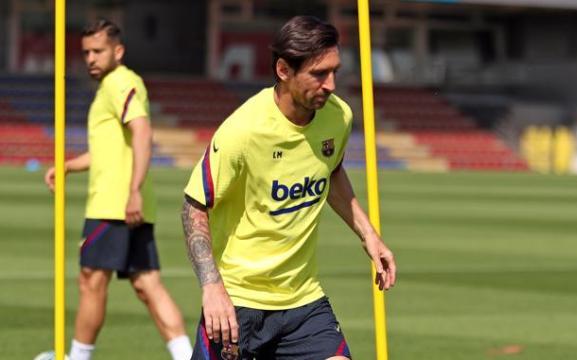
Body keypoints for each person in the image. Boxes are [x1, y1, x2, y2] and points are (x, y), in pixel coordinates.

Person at [182, 16, 397, 360]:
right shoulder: (243, 131)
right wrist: (212, 287)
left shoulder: (337, 117)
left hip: (304, 303)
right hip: (239, 303)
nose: (331, 85)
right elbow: (194, 205)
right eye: (318, 74)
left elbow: (332, 172)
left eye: (334, 71)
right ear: (283, 70)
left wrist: (369, 235)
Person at [44, 19, 192, 360]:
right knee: (147, 284)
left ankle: (78, 358)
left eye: (98, 51)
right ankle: (187, 356)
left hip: (113, 205)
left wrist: (133, 190)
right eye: (86, 53)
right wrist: (68, 166)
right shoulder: (113, 85)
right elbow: (110, 149)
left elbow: (142, 132)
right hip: (129, 203)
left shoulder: (120, 82)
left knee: (91, 281)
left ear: (118, 51)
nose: (90, 58)